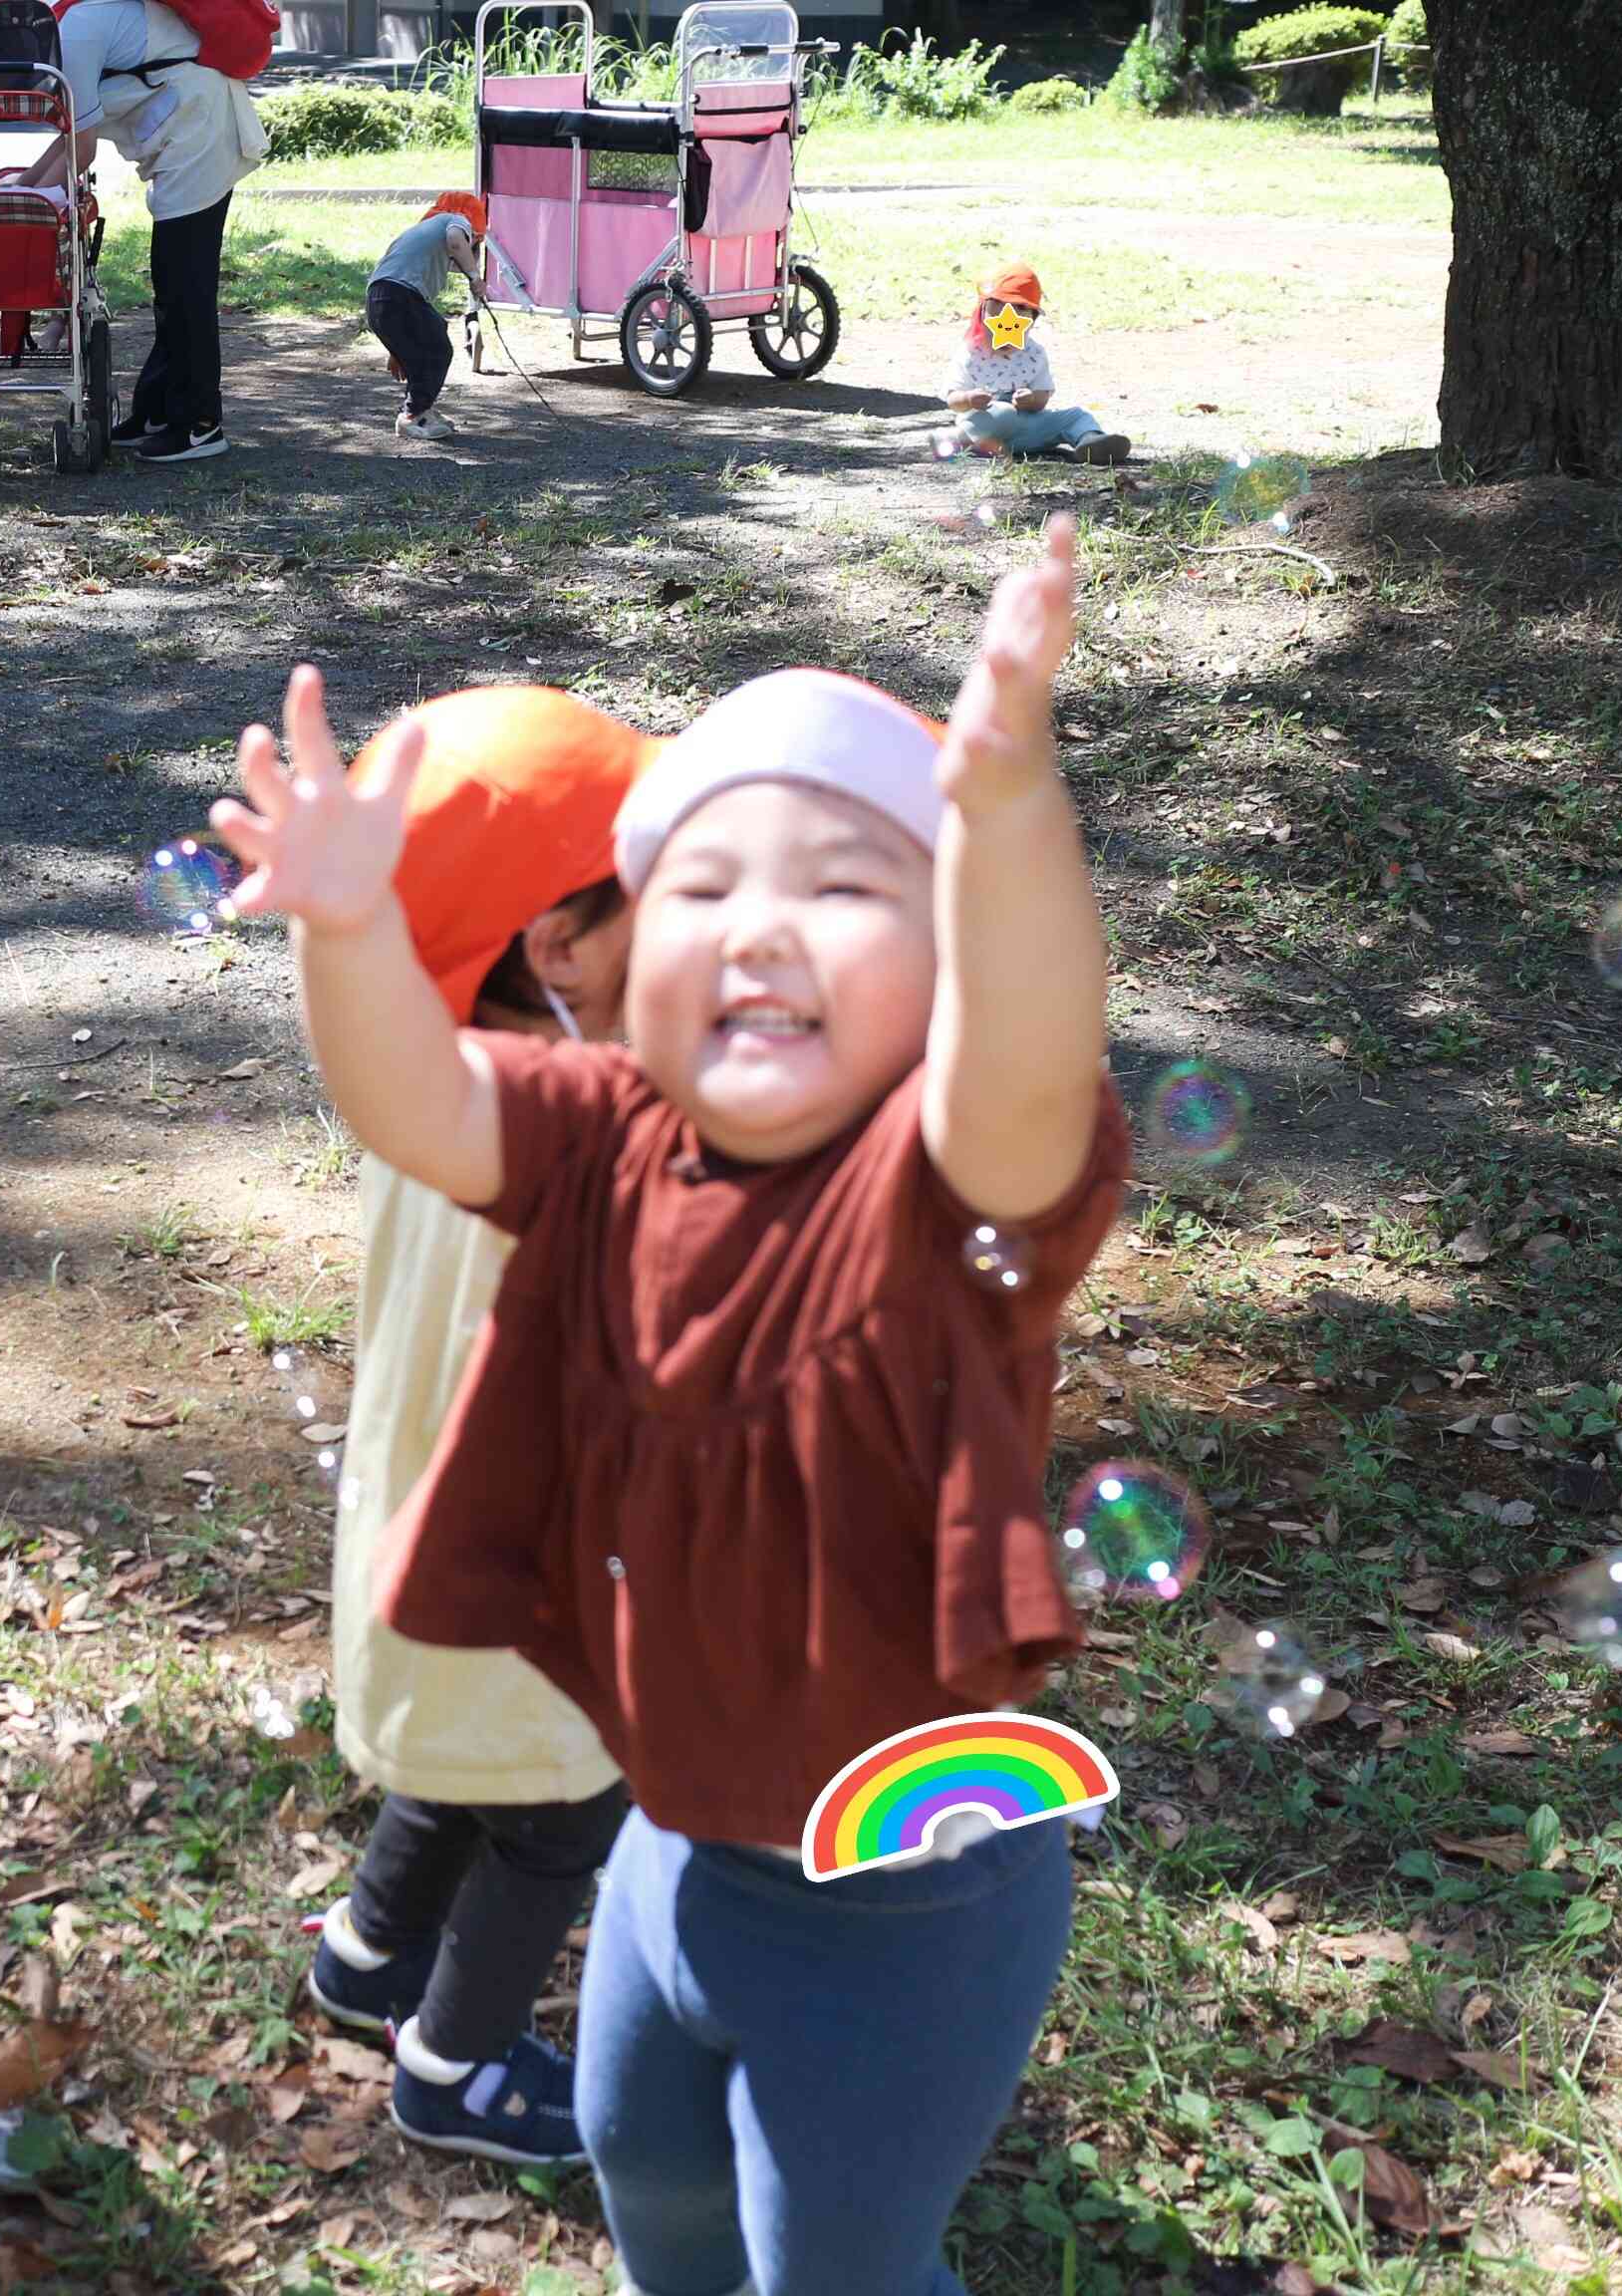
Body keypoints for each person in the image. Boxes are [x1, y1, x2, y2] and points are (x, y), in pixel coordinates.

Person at [209, 515, 1126, 2296]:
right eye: (702, 886)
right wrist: (345, 927)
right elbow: (420, 1104)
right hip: (679, 1850)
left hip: (905, 1891)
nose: (758, 927)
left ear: (933, 982)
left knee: (832, 2261)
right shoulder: (617, 1135)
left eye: (842, 891)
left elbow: (1027, 1058)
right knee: (654, 2182)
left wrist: (1006, 810)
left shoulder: (940, 1192)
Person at [300, 686, 648, 2167]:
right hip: (539, 1577)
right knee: (561, 1818)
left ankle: (368, 1959)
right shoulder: (597, 1132)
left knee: (464, 1767)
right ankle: (457, 2064)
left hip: (420, 1538)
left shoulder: (436, 1092)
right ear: (560, 949)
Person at [24, 0, 267, 464]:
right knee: (170, 282)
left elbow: (81, 152)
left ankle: (199, 422)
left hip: (201, 136)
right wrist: (21, 188)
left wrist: (20, 197)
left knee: (185, 287)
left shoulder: (75, 37)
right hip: (188, 131)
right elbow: (72, 138)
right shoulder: (75, 27)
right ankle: (156, 411)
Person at [946, 263, 1129, 465]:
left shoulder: (1034, 354)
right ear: (981, 317)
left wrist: (1031, 400)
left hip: (1026, 428)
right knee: (1003, 413)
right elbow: (953, 399)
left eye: (1014, 326)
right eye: (997, 324)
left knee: (1076, 415)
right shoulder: (970, 353)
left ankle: (1091, 441)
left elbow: (1042, 397)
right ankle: (957, 442)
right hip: (985, 426)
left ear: (1030, 323)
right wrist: (968, 399)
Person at [366, 192, 484, 444]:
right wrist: (475, 276)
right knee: (439, 350)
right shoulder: (455, 220)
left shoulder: (417, 234)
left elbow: (390, 282)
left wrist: (397, 347)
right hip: (399, 295)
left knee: (434, 332)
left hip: (380, 298)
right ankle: (412, 415)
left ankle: (422, 410)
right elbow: (455, 240)